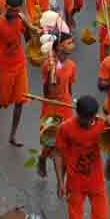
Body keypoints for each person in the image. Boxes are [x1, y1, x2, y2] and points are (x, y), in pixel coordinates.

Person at [0, 0, 35, 147]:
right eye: (12, 10)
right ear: (6, 7)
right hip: (5, 66)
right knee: (4, 101)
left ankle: (13, 135)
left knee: (20, 101)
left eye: (17, 11)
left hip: (20, 63)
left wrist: (29, 27)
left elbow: (28, 39)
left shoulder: (20, 20)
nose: (15, 13)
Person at [54, 95, 109, 219]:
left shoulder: (102, 124)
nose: (89, 123)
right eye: (85, 119)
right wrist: (60, 181)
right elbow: (57, 154)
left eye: (91, 119)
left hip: (96, 180)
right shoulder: (65, 128)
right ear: (77, 113)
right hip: (75, 182)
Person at [38, 32, 77, 178]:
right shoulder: (48, 65)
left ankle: (61, 180)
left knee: (64, 146)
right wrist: (51, 72)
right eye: (69, 43)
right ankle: (42, 158)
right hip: (51, 106)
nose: (72, 45)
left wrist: (70, 103)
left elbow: (69, 87)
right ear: (59, 47)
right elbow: (46, 92)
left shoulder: (72, 65)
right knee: (49, 143)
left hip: (66, 107)